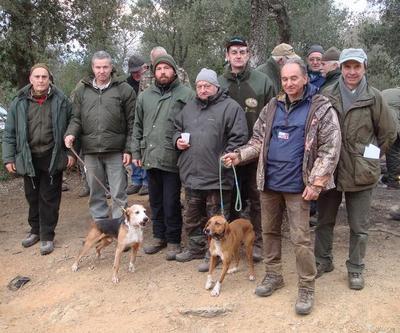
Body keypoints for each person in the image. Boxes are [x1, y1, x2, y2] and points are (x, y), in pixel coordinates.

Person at [223, 58, 341, 315]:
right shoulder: (272, 107)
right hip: (270, 183)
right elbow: (257, 140)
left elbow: (330, 149)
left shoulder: (321, 108)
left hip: (300, 187)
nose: (289, 83)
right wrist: (239, 155)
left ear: (305, 78)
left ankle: (307, 287)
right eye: (285, 79)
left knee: (300, 240)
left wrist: (317, 182)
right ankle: (274, 275)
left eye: (294, 78)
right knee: (269, 233)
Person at [314, 48, 397, 290]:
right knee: (324, 220)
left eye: (356, 67)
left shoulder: (375, 97)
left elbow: (389, 133)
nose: (352, 72)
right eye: (347, 67)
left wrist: (369, 156)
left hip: (361, 172)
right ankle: (322, 260)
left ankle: (356, 268)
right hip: (330, 169)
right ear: (340, 68)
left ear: (364, 68)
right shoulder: (326, 94)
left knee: (359, 225)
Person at [173, 68, 248, 264]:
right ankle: (196, 248)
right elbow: (176, 129)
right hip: (191, 175)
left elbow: (239, 137)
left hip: (218, 177)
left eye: (207, 86)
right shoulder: (188, 108)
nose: (203, 89)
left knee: (216, 222)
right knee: (191, 218)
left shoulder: (231, 108)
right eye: (199, 86)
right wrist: (176, 141)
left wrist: (226, 156)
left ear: (216, 87)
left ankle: (214, 254)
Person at [2, 63, 75, 255]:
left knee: (49, 198)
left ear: (49, 79)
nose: (41, 80)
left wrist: (70, 154)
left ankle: (47, 236)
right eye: (37, 77)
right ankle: (35, 231)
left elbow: (73, 127)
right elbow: (9, 133)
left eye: (44, 77)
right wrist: (9, 158)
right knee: (32, 196)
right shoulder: (19, 101)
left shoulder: (62, 101)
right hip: (28, 156)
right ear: (30, 79)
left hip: (52, 155)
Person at [217, 36, 274, 266]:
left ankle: (258, 242)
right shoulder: (218, 83)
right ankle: (228, 243)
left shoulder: (263, 82)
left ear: (249, 55)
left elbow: (274, 114)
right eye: (234, 52)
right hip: (227, 153)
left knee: (258, 198)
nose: (238, 56)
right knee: (228, 200)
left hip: (257, 152)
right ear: (227, 55)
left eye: (242, 51)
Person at [132, 54, 194, 261]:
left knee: (171, 201)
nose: (163, 72)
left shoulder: (186, 94)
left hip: (173, 157)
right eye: (159, 69)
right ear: (154, 73)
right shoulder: (145, 96)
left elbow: (193, 123)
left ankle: (174, 239)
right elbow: (137, 126)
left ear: (174, 71)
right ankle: (159, 237)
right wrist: (136, 152)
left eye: (167, 68)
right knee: (155, 201)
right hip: (150, 156)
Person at [64, 51, 135, 220]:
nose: (102, 71)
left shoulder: (124, 89)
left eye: (105, 67)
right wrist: (70, 134)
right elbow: (76, 118)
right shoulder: (82, 91)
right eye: (98, 67)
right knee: (95, 192)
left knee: (118, 192)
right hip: (90, 151)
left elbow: (132, 122)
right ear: (92, 68)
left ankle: (120, 226)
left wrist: (128, 149)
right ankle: (101, 225)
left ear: (111, 67)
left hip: (116, 150)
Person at [125, 55, 149, 196]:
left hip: (146, 119)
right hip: (132, 120)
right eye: (133, 71)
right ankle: (136, 181)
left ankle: (146, 182)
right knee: (135, 149)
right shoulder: (127, 83)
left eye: (138, 71)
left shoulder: (150, 80)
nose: (136, 74)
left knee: (144, 148)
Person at [381, 87, 400, 189]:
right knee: (394, 154)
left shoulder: (386, 92)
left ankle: (388, 176)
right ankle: (393, 182)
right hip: (393, 126)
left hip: (380, 126)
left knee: (374, 152)